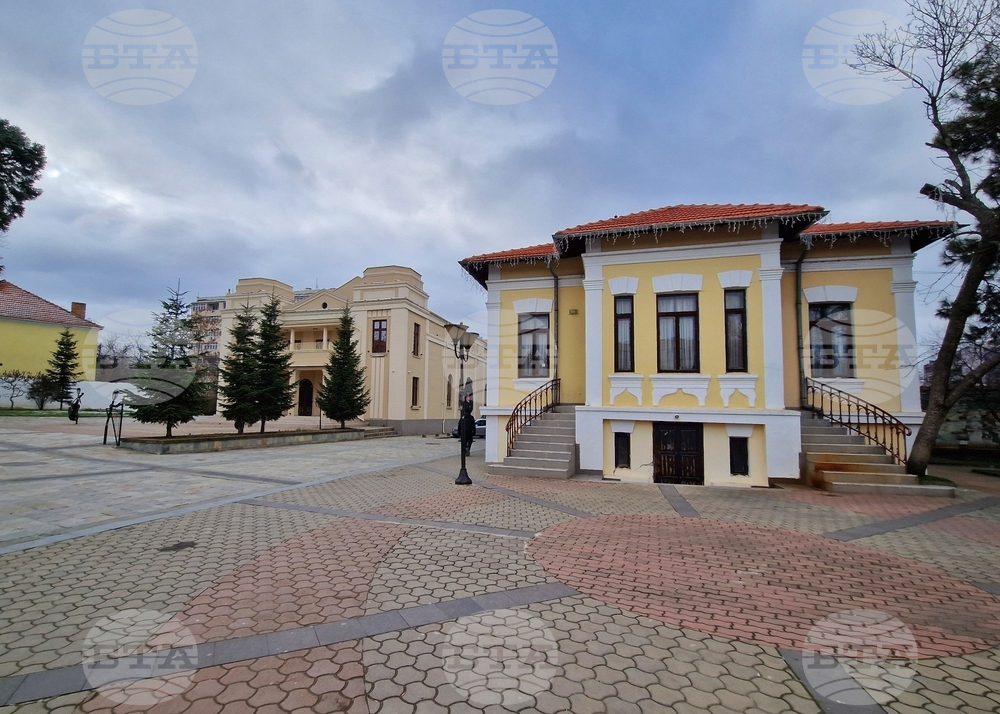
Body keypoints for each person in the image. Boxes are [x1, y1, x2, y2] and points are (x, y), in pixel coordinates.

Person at [460, 391, 475, 457]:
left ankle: (468, 448)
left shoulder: (471, 403)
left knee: (470, 439)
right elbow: (464, 409)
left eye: (469, 396)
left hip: (469, 416)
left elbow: (471, 409)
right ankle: (465, 448)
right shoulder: (464, 403)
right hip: (465, 415)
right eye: (468, 396)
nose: (469, 397)